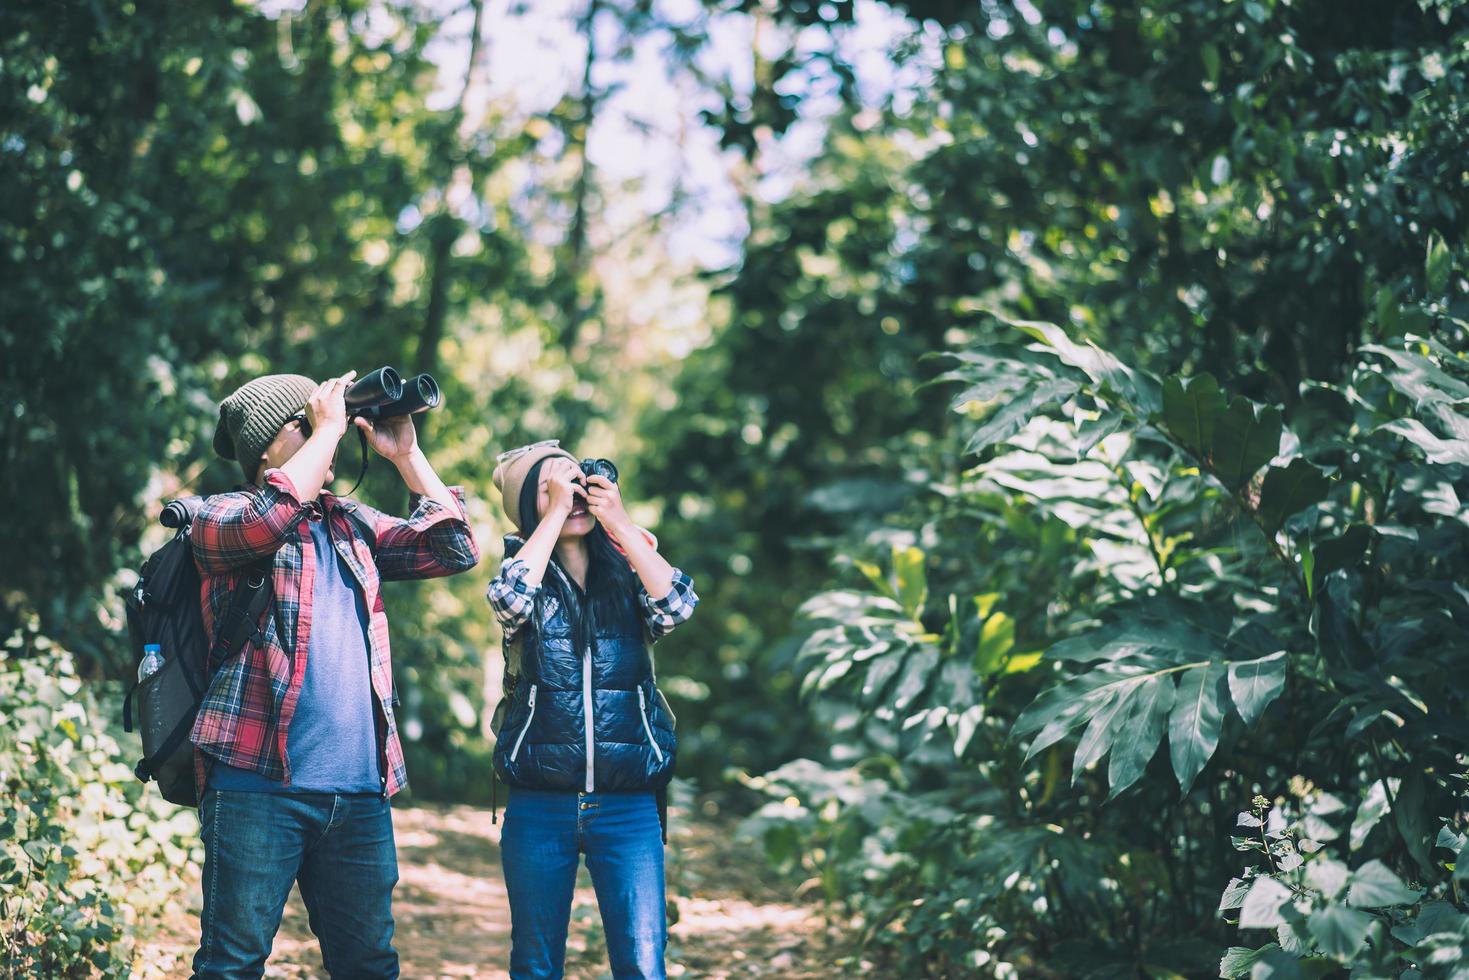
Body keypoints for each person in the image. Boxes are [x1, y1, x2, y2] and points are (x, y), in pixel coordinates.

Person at [189, 371, 480, 979]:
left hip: (358, 795)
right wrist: (326, 428)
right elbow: (264, 523)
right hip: (255, 787)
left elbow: (454, 548)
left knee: (368, 966)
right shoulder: (221, 515)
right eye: (309, 424)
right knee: (232, 966)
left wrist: (408, 456)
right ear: (268, 446)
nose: (335, 433)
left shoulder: (350, 522)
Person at [486, 441, 698, 980]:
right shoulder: (523, 571)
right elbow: (509, 601)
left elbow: (677, 605)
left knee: (643, 965)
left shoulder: (628, 570)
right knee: (535, 965)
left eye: (577, 482)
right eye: (550, 487)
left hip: (629, 803)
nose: (572, 494)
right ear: (531, 507)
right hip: (539, 803)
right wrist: (555, 516)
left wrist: (620, 523)